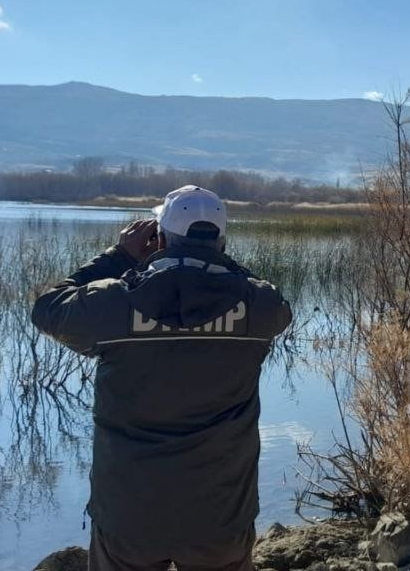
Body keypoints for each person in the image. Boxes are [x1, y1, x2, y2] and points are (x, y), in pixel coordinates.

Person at [32, 186, 293, 571]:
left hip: (128, 515)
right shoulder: (257, 308)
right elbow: (275, 301)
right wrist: (212, 260)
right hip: (220, 515)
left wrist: (119, 256)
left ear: (162, 236)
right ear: (221, 239)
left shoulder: (114, 303)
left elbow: (47, 308)